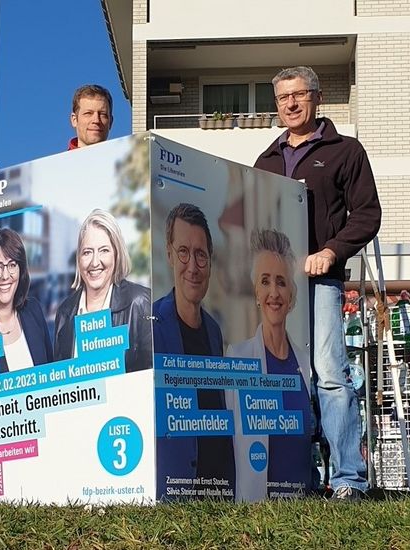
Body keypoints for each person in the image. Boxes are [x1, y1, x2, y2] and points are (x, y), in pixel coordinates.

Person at [254, 66, 381, 500]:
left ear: (317, 98)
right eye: (283, 97)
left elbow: (367, 215)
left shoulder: (345, 151)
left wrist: (331, 251)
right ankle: (297, 481)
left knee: (330, 376)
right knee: (287, 378)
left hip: (321, 282)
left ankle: (348, 480)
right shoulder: (265, 160)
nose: (290, 104)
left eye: (299, 95)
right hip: (275, 288)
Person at [153, 203, 234, 500]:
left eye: (201, 255)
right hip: (173, 490)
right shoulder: (151, 325)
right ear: (169, 254)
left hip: (218, 490)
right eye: (184, 252)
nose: (193, 267)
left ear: (211, 262)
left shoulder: (214, 331)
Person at [226, 229, 312, 500]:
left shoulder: (307, 364)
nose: (273, 292)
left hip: (303, 510)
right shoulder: (237, 357)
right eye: (265, 281)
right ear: (256, 291)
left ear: (292, 296)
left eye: (281, 282)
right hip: (256, 510)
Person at [53, 209, 151, 372]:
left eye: (104, 250)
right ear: (79, 258)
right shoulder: (65, 312)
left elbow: (152, 381)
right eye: (87, 252)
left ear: (116, 254)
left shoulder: (140, 303)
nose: (94, 262)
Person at [0, 228, 53, 371]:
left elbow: (51, 373)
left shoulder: (34, 310)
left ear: (20, 270)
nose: (5, 276)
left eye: (12, 265)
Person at [68, 84, 112, 150]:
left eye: (102, 114)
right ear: (74, 120)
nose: (96, 120)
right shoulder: (57, 160)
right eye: (88, 113)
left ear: (110, 122)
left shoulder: (126, 158)